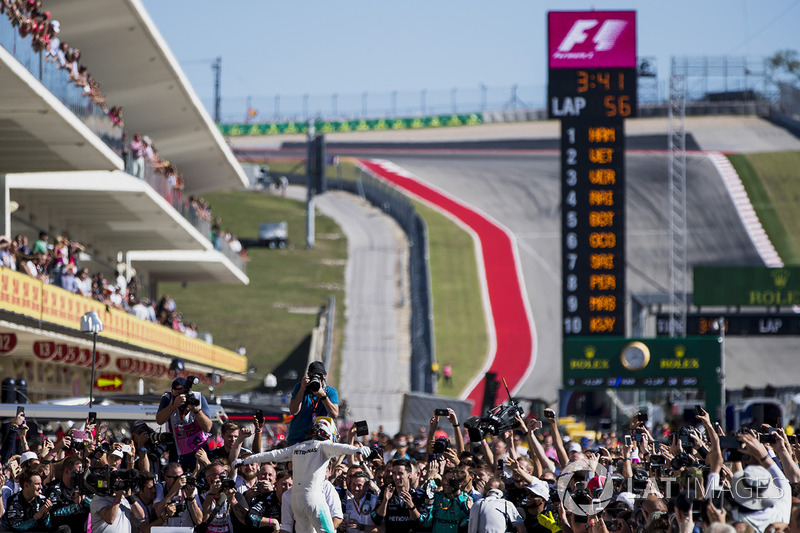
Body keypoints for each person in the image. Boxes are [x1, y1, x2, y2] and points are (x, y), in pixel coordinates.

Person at [234, 418, 370, 533]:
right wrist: (358, 449)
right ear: (329, 433)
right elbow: (341, 448)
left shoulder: (298, 447)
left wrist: (244, 461)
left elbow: (273, 454)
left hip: (296, 501)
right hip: (314, 499)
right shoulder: (323, 446)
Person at [155, 376, 213, 471]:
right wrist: (174, 405)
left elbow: (207, 428)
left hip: (198, 448)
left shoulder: (198, 397)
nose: (182, 397)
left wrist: (196, 410)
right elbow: (159, 420)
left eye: (183, 393)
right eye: (178, 394)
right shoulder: (168, 398)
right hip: (178, 449)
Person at [287, 361, 340, 444]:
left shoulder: (330, 392)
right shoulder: (300, 387)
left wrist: (323, 395)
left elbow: (334, 414)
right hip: (298, 439)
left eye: (319, 375)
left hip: (320, 440)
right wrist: (302, 390)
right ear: (308, 375)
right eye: (314, 375)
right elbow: (293, 411)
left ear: (325, 375)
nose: (317, 379)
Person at [45, 454, 91, 533]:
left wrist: (84, 500)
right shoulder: (54, 488)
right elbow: (54, 514)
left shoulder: (84, 488)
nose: (79, 476)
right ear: (66, 471)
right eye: (76, 473)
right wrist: (75, 506)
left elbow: (95, 506)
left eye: (81, 473)